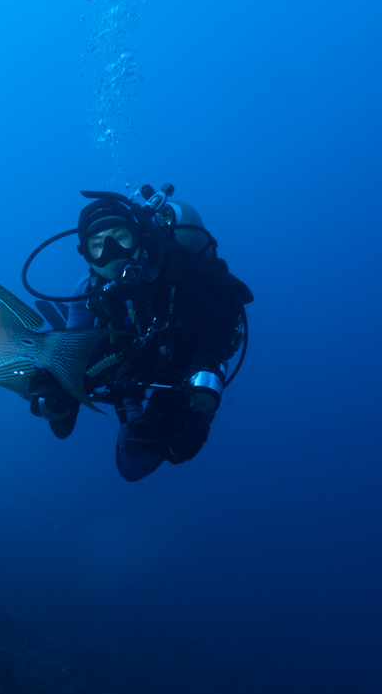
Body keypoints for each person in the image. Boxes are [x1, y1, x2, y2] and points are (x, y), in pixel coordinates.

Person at [26, 187, 253, 482]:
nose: (112, 253)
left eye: (121, 238)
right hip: (127, 347)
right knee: (62, 385)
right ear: (85, 254)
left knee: (162, 453)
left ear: (138, 237)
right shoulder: (88, 289)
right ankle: (121, 395)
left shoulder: (182, 273)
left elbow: (211, 344)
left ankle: (126, 397)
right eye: (98, 245)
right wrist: (59, 384)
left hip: (183, 359)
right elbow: (76, 353)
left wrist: (203, 398)